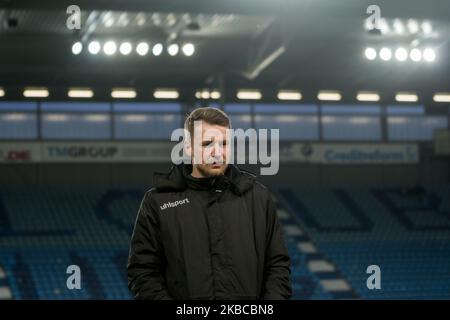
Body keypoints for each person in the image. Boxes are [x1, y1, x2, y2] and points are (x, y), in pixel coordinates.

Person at [127, 107, 292, 300]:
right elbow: (143, 273)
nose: (217, 152)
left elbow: (278, 267)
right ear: (188, 147)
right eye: (207, 144)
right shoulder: (157, 201)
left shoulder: (258, 197)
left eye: (224, 143)